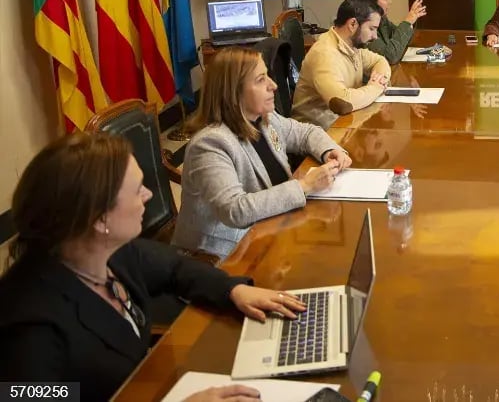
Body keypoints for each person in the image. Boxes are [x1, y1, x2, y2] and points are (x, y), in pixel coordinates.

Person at [0, 133, 304, 402]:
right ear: (98, 218)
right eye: (136, 190)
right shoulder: (29, 325)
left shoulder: (108, 251)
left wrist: (232, 289)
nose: (148, 194)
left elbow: (175, 267)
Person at [173, 46, 352, 258]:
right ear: (233, 91)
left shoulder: (263, 118)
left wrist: (329, 150)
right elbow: (235, 211)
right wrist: (304, 186)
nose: (273, 85)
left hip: (271, 230)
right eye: (260, 80)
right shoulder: (210, 144)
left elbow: (305, 132)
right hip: (222, 256)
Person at [292, 0, 391, 128]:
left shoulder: (353, 45)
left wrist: (379, 79)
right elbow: (342, 104)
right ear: (352, 24)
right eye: (372, 29)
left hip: (345, 123)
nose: (375, 36)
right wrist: (375, 88)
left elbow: (380, 61)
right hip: (317, 135)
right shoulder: (324, 54)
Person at [348, 0, 427, 65]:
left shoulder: (381, 19)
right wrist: (407, 22)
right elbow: (390, 57)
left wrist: (411, 22)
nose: (390, 2)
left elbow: (403, 41)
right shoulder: (363, 26)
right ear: (371, 3)